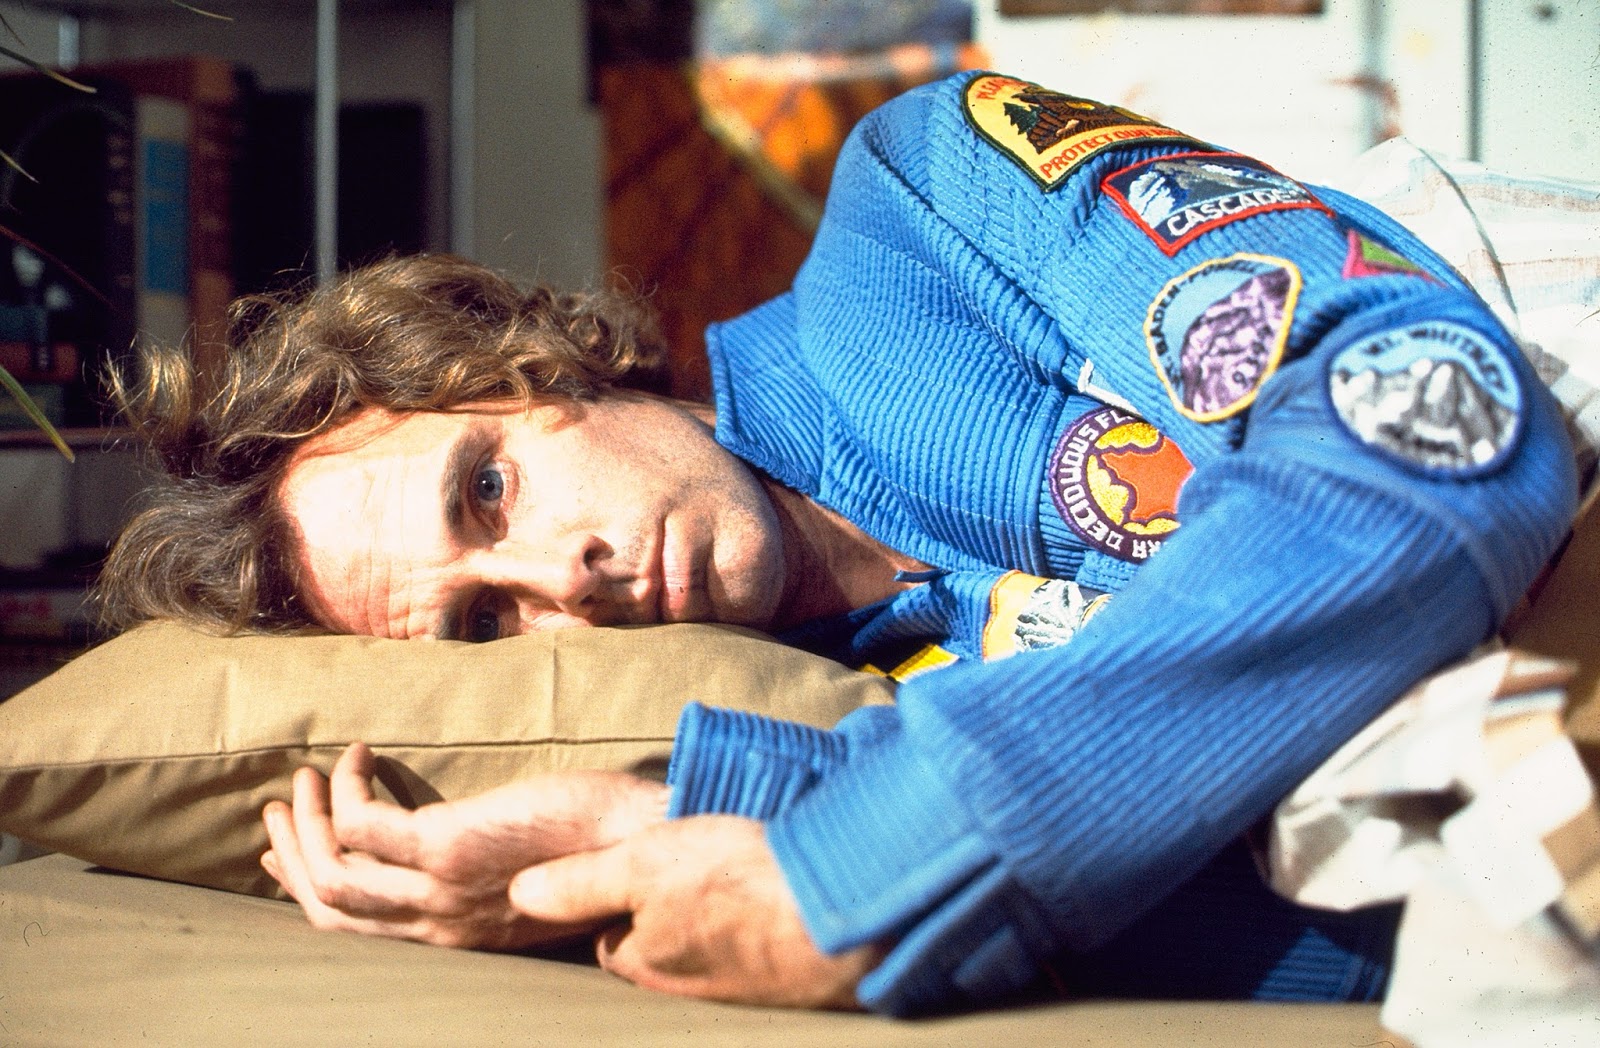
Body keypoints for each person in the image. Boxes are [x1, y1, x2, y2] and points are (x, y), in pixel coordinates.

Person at [96, 72, 1579, 1015]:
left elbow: (1428, 413)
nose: (563, 584)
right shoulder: (824, 721)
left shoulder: (920, 206)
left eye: (487, 492)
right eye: (486, 626)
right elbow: (1370, 930)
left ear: (532, 360)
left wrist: (868, 864)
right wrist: (643, 836)